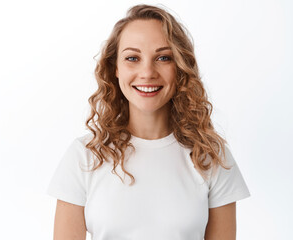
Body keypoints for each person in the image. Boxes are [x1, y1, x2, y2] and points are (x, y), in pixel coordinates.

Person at [47, 4, 250, 240]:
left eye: (163, 58)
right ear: (116, 68)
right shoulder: (85, 156)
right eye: (132, 58)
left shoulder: (210, 156)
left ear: (181, 68)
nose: (147, 72)